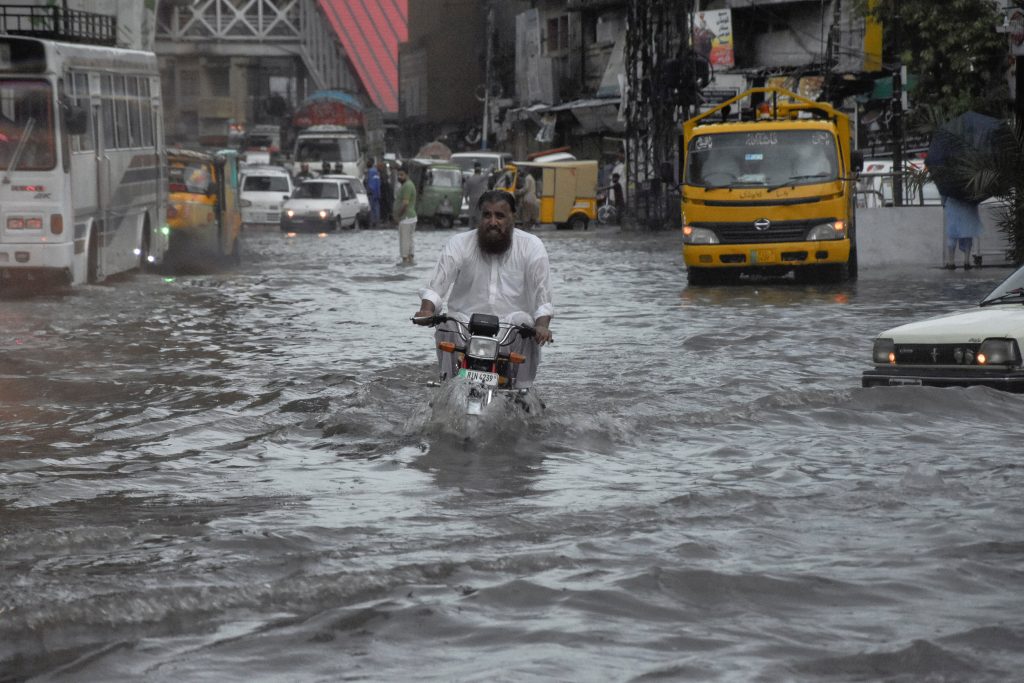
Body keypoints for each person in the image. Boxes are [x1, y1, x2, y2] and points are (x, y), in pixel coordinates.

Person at [413, 190, 554, 388]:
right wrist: (427, 310)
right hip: (465, 328)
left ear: (514, 217)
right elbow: (437, 285)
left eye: (500, 216)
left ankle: (523, 392)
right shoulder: (459, 243)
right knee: (446, 323)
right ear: (479, 217)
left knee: (526, 324)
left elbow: (543, 299)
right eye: (487, 215)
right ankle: (447, 387)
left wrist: (542, 326)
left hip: (510, 332)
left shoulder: (532, 246)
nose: (493, 222)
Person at [942, 194, 983, 270]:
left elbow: (943, 192)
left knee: (952, 234)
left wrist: (943, 203)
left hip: (953, 204)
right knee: (968, 233)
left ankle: (951, 262)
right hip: (968, 204)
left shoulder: (948, 183)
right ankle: (966, 262)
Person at [394, 163, 418, 265]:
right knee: (410, 240)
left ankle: (405, 260)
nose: (400, 177)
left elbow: (405, 203)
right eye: (398, 175)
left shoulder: (407, 185)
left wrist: (398, 215)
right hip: (410, 217)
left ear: (407, 174)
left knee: (404, 241)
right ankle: (410, 259)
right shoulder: (408, 185)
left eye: (402, 175)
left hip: (406, 217)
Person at [463, 161, 489, 226]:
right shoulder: (482, 178)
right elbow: (487, 173)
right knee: (479, 217)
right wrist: (492, 165)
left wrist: (466, 199)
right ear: (480, 169)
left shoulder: (470, 179)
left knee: (471, 217)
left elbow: (466, 191)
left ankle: (471, 230)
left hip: (472, 200)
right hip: (481, 200)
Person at [378, 159, 394, 224]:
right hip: (385, 195)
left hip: (385, 195)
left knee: (385, 206)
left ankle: (386, 218)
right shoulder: (385, 177)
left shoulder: (385, 177)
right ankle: (386, 218)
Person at [365, 157, 381, 226]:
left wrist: (368, 190)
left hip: (371, 192)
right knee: (376, 208)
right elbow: (378, 182)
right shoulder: (376, 171)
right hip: (377, 192)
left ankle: (372, 222)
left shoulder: (370, 172)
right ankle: (376, 221)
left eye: (368, 161)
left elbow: (368, 182)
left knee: (371, 208)